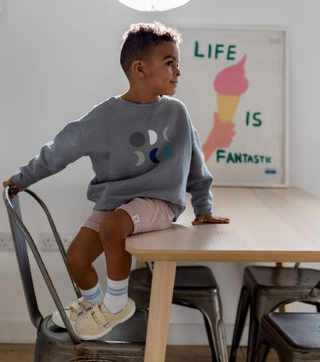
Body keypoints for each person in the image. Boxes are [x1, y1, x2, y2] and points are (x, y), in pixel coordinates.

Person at [3, 21, 230, 341]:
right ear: (140, 68)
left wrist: (203, 207)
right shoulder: (104, 116)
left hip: (159, 201)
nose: (178, 71)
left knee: (113, 227)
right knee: (77, 259)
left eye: (178, 64)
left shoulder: (177, 113)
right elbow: (60, 150)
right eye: (169, 63)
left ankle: (115, 305)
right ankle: (98, 307)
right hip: (115, 202)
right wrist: (23, 178)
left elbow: (195, 162)